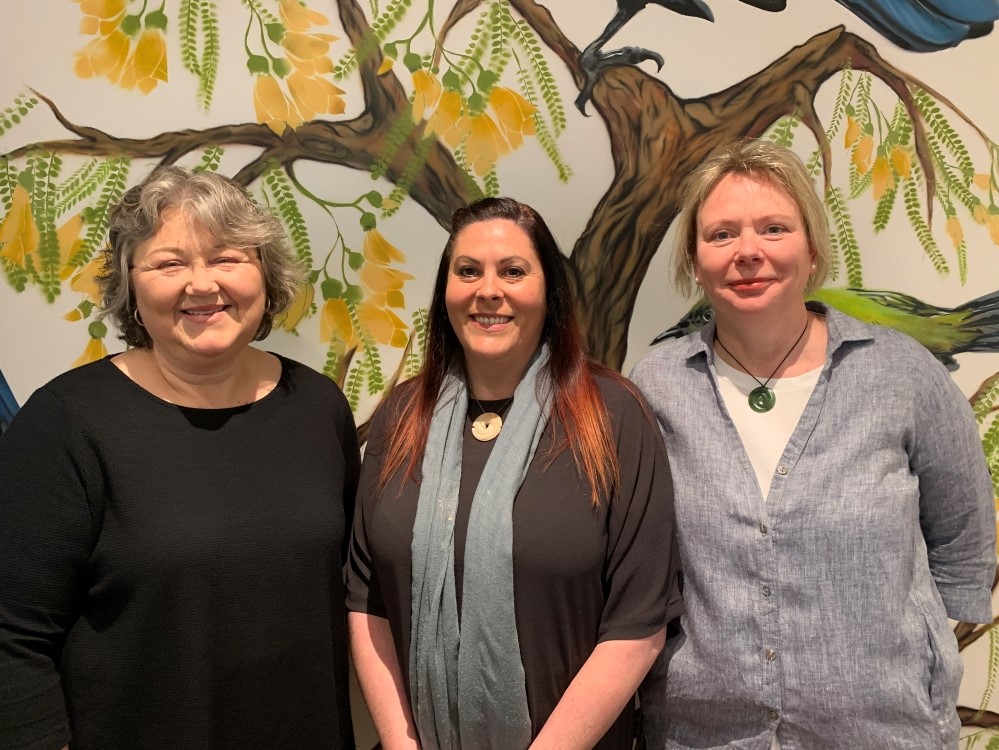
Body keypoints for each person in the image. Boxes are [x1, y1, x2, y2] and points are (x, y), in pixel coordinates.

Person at [631, 139, 997, 748]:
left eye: (774, 228)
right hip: (707, 735)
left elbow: (964, 540)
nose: (749, 252)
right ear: (695, 261)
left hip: (880, 733)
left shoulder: (901, 374)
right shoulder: (657, 384)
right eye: (722, 235)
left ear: (813, 247)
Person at [0, 167, 360, 749]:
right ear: (130, 287)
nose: (202, 284)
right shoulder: (66, 422)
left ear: (265, 277)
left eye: (227, 258)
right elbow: (12, 635)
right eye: (169, 264)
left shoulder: (317, 407)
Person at [346, 196, 682, 749]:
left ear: (548, 291)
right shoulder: (402, 417)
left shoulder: (614, 417)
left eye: (513, 271)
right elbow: (366, 600)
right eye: (468, 271)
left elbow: (638, 623)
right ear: (445, 290)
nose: (488, 290)